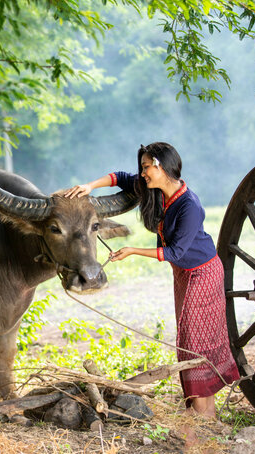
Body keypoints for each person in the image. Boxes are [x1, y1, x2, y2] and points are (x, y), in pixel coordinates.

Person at [64, 142, 239, 418]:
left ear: (160, 165)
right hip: (183, 273)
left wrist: (132, 250)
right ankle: (201, 408)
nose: (143, 173)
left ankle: (203, 413)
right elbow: (121, 177)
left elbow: (176, 251)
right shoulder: (155, 190)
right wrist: (90, 186)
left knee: (197, 338)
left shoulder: (188, 204)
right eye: (143, 167)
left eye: (146, 167)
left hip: (203, 272)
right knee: (187, 337)